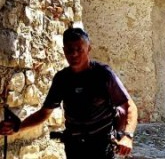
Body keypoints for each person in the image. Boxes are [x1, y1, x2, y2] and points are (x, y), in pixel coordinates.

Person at [0, 27, 138, 159]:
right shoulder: (62, 79)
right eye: (70, 50)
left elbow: (129, 106)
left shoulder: (103, 75)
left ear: (88, 49)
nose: (74, 54)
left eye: (79, 49)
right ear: (64, 51)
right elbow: (44, 113)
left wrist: (127, 136)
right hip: (74, 147)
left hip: (102, 146)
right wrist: (18, 127)